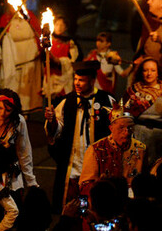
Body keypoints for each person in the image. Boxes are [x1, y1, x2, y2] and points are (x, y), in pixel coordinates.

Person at [44, 61, 114, 212]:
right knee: (71, 208)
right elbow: (57, 130)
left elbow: (116, 126)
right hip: (73, 166)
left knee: (94, 208)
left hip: (96, 166)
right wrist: (52, 121)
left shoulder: (106, 101)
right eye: (75, 79)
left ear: (92, 80)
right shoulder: (66, 102)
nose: (77, 83)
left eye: (81, 80)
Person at [79, 101, 146, 198]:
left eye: (130, 128)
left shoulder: (140, 149)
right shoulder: (96, 150)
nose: (127, 133)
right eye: (121, 128)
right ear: (111, 128)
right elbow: (85, 185)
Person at [124, 58, 162, 166]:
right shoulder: (134, 91)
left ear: (158, 72)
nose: (149, 73)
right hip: (139, 135)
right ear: (141, 72)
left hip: (161, 137)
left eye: (153, 70)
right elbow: (123, 113)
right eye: (146, 70)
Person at [0, 2, 43, 113]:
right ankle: (10, 110)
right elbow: (0, 36)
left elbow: (38, 33)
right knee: (12, 85)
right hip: (13, 59)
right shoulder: (6, 18)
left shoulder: (29, 16)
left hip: (30, 58)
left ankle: (26, 112)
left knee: (26, 87)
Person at [44, 17, 80, 100]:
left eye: (61, 25)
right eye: (57, 24)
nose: (59, 27)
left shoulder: (70, 42)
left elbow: (73, 60)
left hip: (63, 77)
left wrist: (61, 61)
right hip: (50, 77)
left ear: (66, 27)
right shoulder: (49, 40)